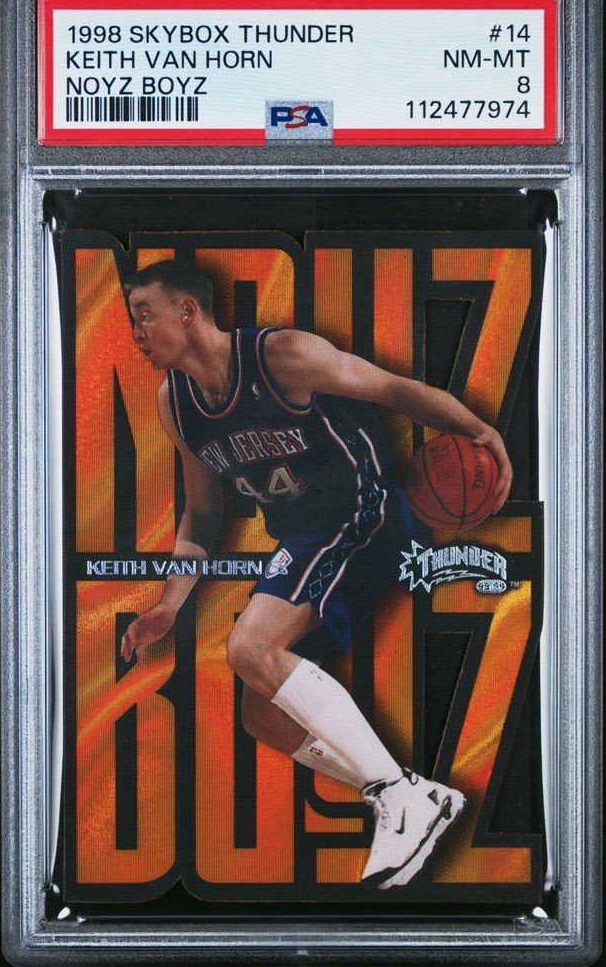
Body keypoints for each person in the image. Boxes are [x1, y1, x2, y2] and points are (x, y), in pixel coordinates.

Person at [120, 260, 512, 889]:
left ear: (187, 311)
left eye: (144, 316)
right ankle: (413, 793)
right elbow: (202, 512)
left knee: (249, 647)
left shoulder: (282, 357)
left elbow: (394, 390)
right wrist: (170, 604)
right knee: (264, 716)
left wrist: (480, 429)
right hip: (302, 538)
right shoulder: (177, 403)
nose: (135, 332)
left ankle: (398, 797)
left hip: (363, 513)